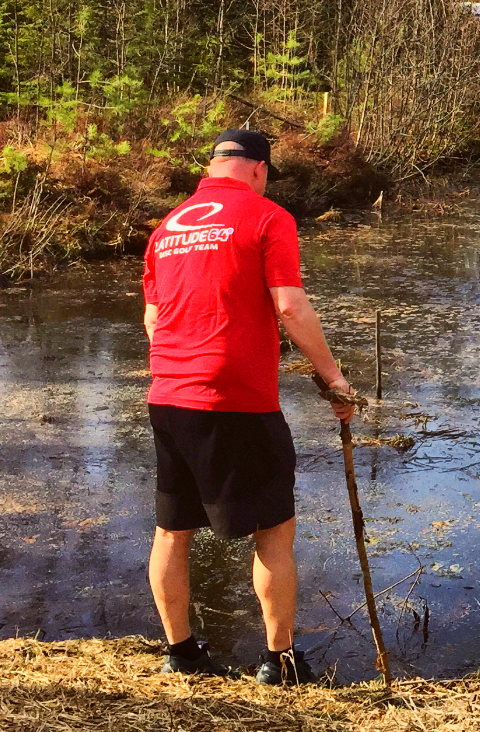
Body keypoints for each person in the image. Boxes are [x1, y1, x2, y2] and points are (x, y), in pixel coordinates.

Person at [142, 128, 356, 684]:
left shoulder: (168, 226)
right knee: (274, 529)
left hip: (168, 395)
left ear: (213, 168)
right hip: (235, 399)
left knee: (171, 531)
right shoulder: (267, 216)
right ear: (259, 169)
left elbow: (152, 318)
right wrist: (331, 375)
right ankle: (279, 661)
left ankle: (182, 653)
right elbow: (289, 305)